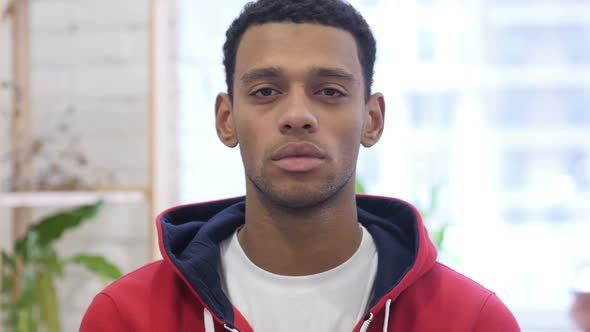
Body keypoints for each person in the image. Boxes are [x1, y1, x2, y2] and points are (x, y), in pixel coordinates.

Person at [80, 0, 521, 331]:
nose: (297, 115)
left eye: (328, 91)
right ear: (226, 119)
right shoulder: (126, 317)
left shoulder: (472, 320)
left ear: (372, 119)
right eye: (266, 91)